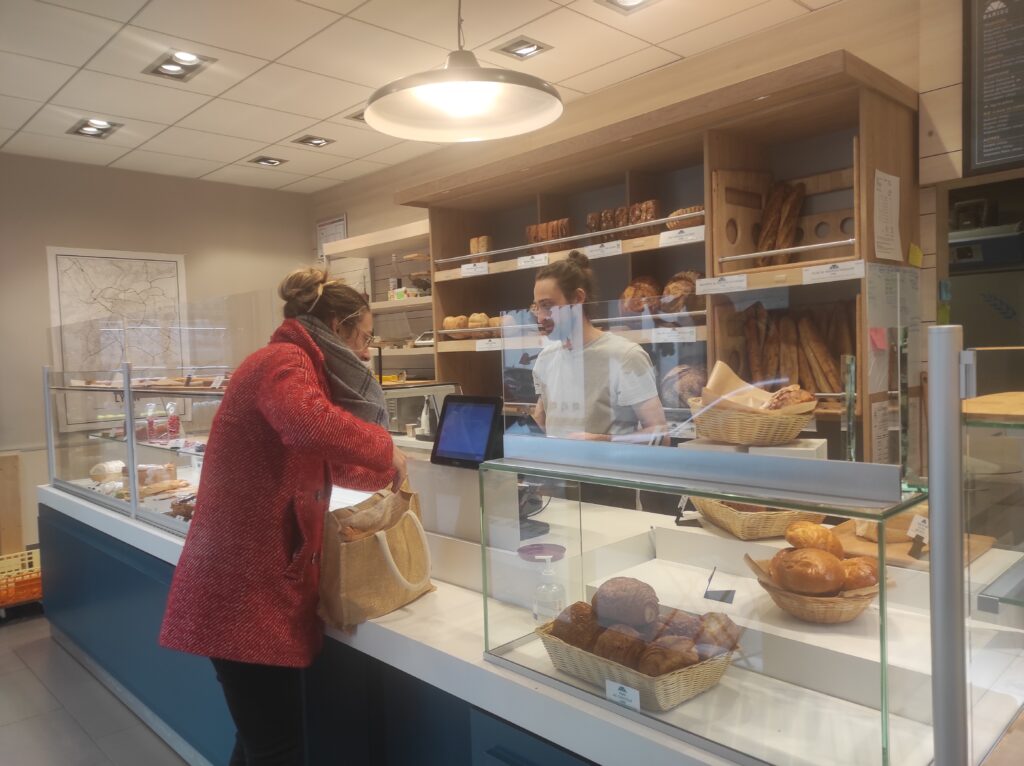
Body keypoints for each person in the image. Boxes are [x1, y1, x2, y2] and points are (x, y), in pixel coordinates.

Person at [160, 268, 407, 766]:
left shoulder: (297, 366)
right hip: (242, 589)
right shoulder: (283, 360)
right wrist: (385, 449)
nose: (364, 352)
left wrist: (380, 475)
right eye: (363, 337)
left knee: (260, 741)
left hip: (250, 584)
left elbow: (321, 459)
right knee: (276, 748)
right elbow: (305, 424)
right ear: (336, 328)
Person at [531, 251, 668, 444]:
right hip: (559, 473)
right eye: (537, 307)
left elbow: (661, 436)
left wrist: (602, 440)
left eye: (548, 306)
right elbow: (542, 420)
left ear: (578, 298)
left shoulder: (625, 356)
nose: (540, 318)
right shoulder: (546, 359)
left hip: (607, 472)